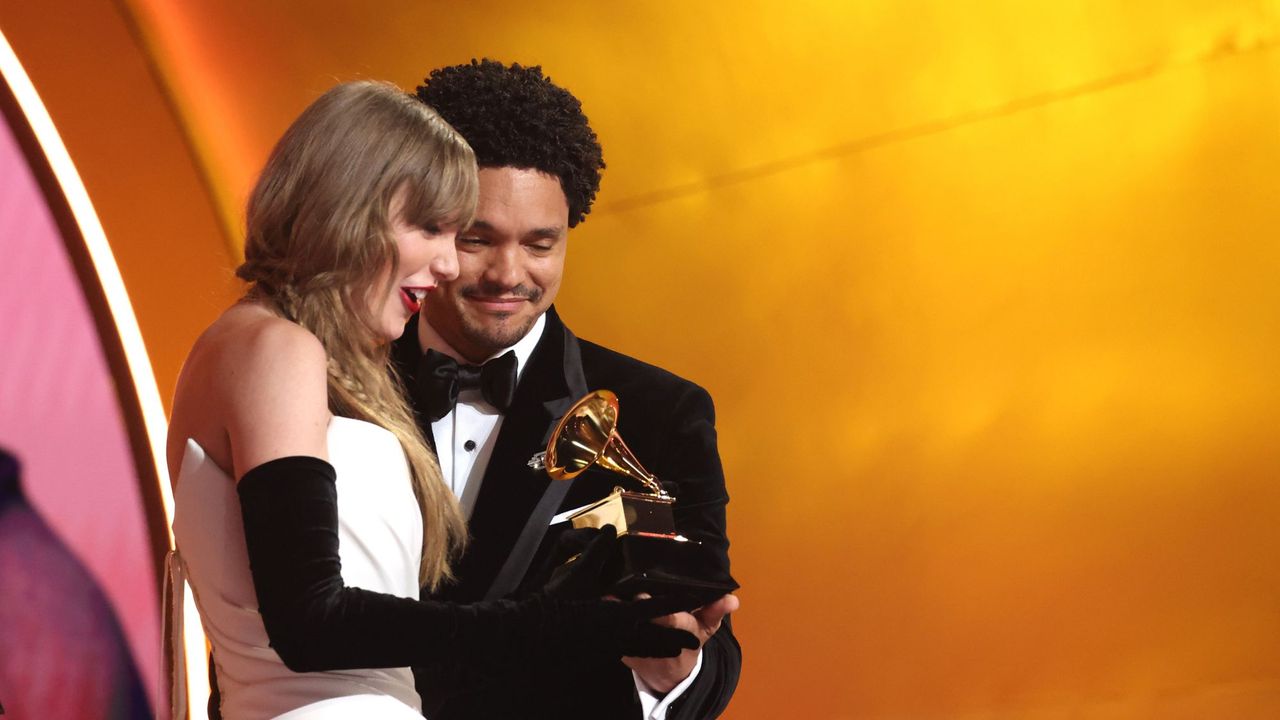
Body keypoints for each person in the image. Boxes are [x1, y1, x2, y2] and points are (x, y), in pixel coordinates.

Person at [167, 79, 699, 720]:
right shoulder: (277, 349)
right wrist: (561, 627)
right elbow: (311, 621)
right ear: (349, 208)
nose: (449, 265)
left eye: (536, 242)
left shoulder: (265, 348)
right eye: (434, 229)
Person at [394, 59, 741, 720]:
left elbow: (712, 658)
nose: (508, 273)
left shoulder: (663, 413)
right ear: (425, 228)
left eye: (540, 244)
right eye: (478, 239)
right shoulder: (326, 385)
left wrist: (670, 671)